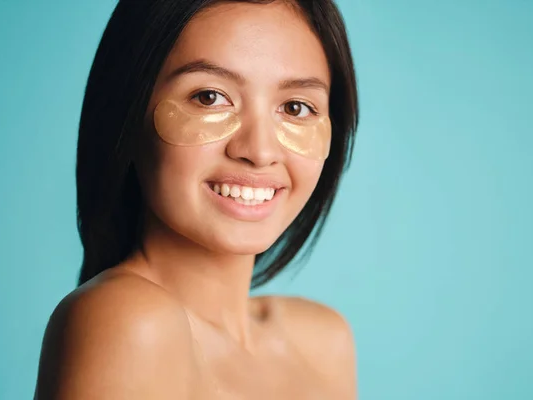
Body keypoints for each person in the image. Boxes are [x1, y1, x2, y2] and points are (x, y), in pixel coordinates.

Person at [34, 0, 359, 398]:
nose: (259, 150)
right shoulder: (128, 322)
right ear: (129, 112)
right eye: (209, 97)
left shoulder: (324, 342)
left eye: (295, 107)